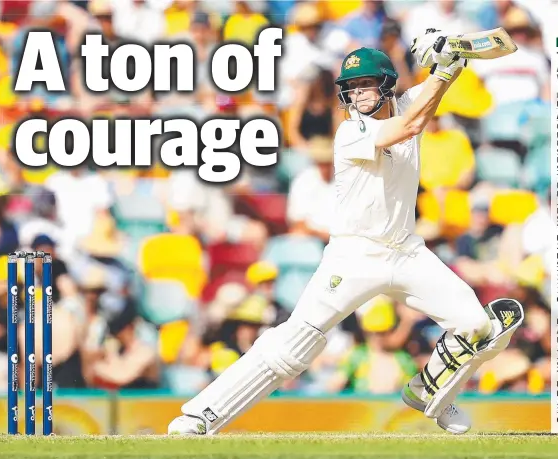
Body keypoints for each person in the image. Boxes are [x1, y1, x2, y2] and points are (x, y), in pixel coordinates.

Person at [168, 29, 524, 436]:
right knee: (294, 345)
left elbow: (427, 100)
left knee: (478, 326)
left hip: (406, 252)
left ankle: (428, 389)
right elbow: (408, 127)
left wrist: (450, 57)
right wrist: (443, 70)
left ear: (387, 84)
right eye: (350, 88)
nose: (357, 94)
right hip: (354, 256)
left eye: (365, 84)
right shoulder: (350, 133)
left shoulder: (407, 105)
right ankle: (202, 416)